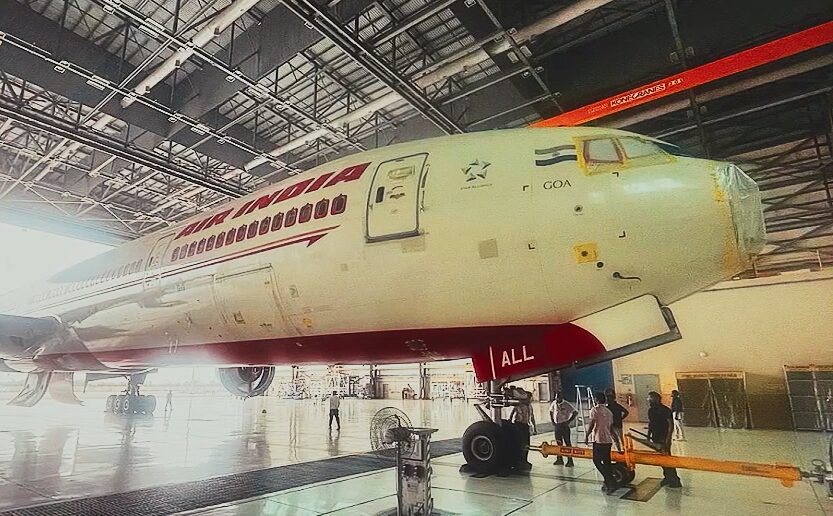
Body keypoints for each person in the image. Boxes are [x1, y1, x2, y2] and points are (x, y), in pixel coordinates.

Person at [648, 391, 682, 488]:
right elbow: (651, 423)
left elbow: (670, 425)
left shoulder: (665, 410)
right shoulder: (651, 410)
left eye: (650, 398)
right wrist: (648, 435)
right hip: (655, 437)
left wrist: (668, 439)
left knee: (667, 458)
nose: (648, 400)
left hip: (664, 437)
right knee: (661, 459)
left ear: (656, 399)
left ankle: (675, 479)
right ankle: (667, 477)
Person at [586, 392, 616, 494]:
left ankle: (610, 481)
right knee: (606, 462)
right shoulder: (609, 412)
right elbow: (611, 429)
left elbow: (592, 424)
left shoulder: (595, 410)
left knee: (596, 461)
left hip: (599, 440)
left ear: (597, 400)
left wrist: (587, 435)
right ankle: (608, 481)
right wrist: (616, 440)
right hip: (607, 440)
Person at [549, 392, 577, 467]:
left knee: (567, 443)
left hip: (564, 425)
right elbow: (551, 411)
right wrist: (552, 420)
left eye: (558, 397)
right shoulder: (554, 403)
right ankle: (559, 459)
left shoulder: (566, 404)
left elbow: (575, 412)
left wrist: (568, 421)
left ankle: (570, 460)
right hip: (557, 425)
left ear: (561, 397)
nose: (557, 399)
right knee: (558, 442)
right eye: (556, 397)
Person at [510, 389, 534, 470]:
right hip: (518, 425)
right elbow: (512, 414)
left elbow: (532, 417)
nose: (530, 399)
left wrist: (534, 427)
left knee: (526, 444)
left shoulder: (530, 406)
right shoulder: (518, 405)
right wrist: (510, 423)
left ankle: (525, 460)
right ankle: (518, 460)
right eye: (528, 398)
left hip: (525, 425)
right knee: (519, 443)